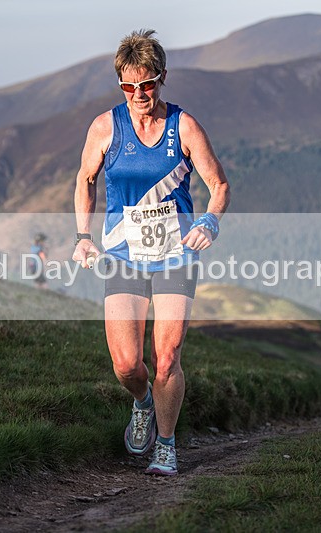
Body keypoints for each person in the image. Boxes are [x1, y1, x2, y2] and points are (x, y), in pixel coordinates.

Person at [72, 30, 230, 476]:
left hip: (176, 254)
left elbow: (219, 184)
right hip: (124, 254)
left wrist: (209, 220)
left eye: (147, 84)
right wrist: (83, 236)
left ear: (162, 79)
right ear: (120, 83)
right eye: (128, 86)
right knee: (126, 364)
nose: (139, 94)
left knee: (168, 355)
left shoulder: (184, 126)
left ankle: (166, 444)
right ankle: (142, 402)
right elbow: (85, 180)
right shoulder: (105, 128)